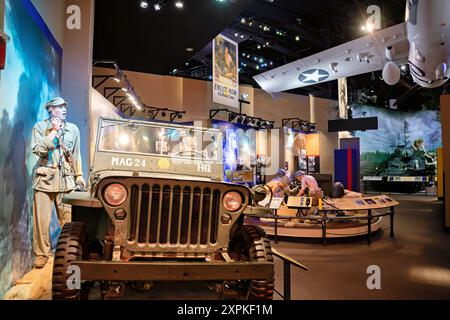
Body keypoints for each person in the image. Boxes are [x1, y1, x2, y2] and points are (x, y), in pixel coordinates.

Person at [31, 97, 85, 268]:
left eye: (64, 106)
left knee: (69, 221)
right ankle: (41, 254)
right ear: (51, 109)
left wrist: (79, 174)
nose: (64, 109)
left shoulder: (73, 129)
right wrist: (53, 131)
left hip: (66, 181)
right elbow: (38, 150)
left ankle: (72, 253)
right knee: (41, 222)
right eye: (59, 107)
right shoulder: (40, 127)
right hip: (45, 180)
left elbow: (76, 154)